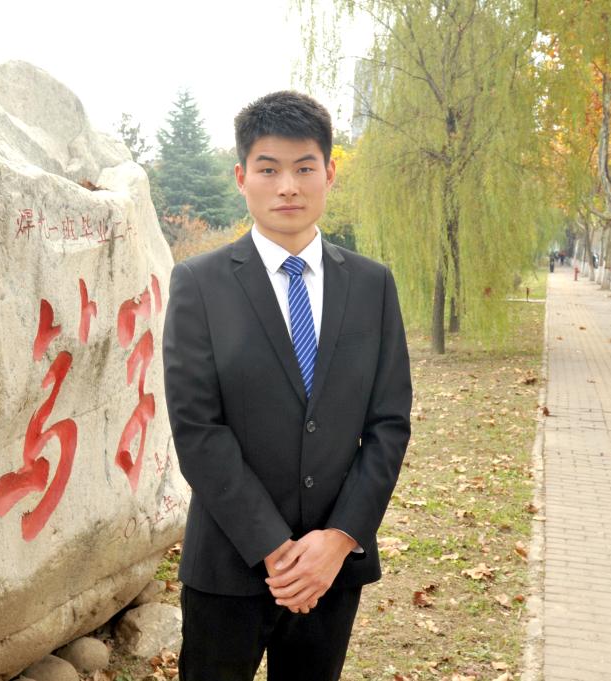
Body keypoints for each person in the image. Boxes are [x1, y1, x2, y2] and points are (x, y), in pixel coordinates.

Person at [162, 91, 412, 681]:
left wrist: (339, 539)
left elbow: (388, 423)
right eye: (269, 169)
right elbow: (198, 429)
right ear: (242, 177)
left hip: (333, 567)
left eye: (304, 168)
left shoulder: (372, 285)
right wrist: (276, 549)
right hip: (230, 560)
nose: (288, 187)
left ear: (329, 173)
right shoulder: (200, 284)